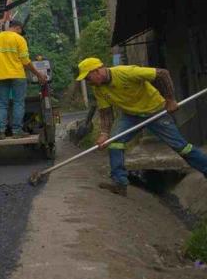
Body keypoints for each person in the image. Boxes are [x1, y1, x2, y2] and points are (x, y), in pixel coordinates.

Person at [76, 57, 207, 195]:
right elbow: (106, 113)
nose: (88, 82)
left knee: (181, 147)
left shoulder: (126, 72)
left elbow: (162, 74)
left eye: (88, 78)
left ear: (97, 71)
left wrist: (170, 99)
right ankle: (120, 183)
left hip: (155, 111)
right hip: (131, 116)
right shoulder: (99, 89)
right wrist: (104, 134)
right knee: (114, 143)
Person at [0, 20, 48, 140]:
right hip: (18, 76)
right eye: (21, 31)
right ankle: (17, 131)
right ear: (18, 28)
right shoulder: (19, 39)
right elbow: (25, 61)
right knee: (18, 103)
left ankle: (0, 132)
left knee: (2, 104)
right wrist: (38, 74)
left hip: (2, 76)